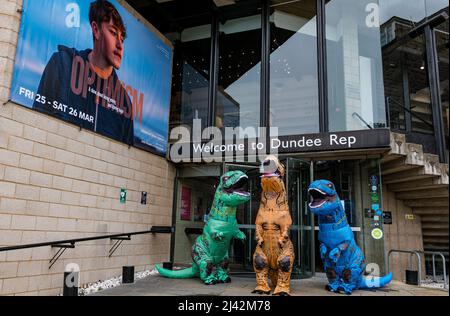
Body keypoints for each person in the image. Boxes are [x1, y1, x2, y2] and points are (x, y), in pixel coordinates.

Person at [33, 0, 133, 145]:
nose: (119, 45)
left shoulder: (124, 102)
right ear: (96, 30)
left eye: (122, 39)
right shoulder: (62, 64)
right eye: (113, 32)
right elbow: (37, 121)